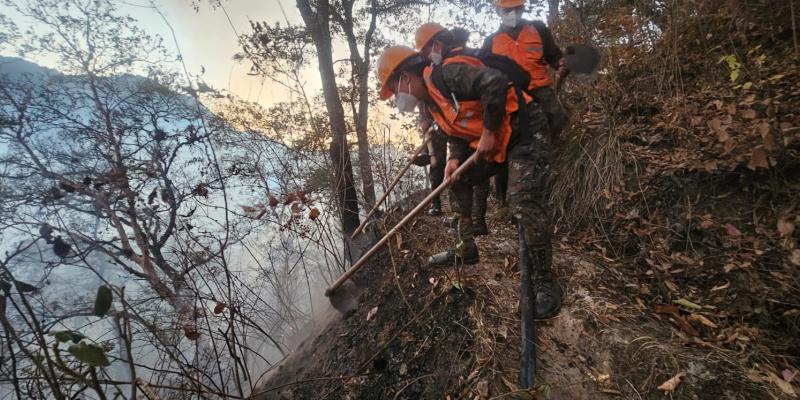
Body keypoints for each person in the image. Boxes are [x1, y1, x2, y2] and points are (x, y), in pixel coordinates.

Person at [375, 44, 562, 318]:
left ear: (406, 77)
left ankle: (545, 281)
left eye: (395, 89)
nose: (397, 97)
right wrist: (454, 159)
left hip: (524, 130)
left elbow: (495, 82)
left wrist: (487, 132)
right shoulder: (431, 103)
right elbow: (457, 129)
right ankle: (466, 248)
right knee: (458, 179)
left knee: (522, 200)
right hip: (497, 140)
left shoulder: (445, 75)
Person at [415, 22, 492, 237]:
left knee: (472, 175)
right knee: (451, 170)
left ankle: (477, 220)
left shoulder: (457, 66)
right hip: (460, 130)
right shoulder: (438, 70)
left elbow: (490, 92)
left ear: (438, 45)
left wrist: (489, 132)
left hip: (490, 130)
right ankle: (466, 226)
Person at [481, 0, 568, 140]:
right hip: (513, 95)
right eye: (508, 10)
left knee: (558, 120)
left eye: (517, 9)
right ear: (498, 11)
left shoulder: (538, 29)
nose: (513, 14)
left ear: (523, 8)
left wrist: (561, 63)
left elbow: (554, 55)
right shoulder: (490, 42)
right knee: (522, 134)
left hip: (540, 89)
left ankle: (559, 153)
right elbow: (485, 74)